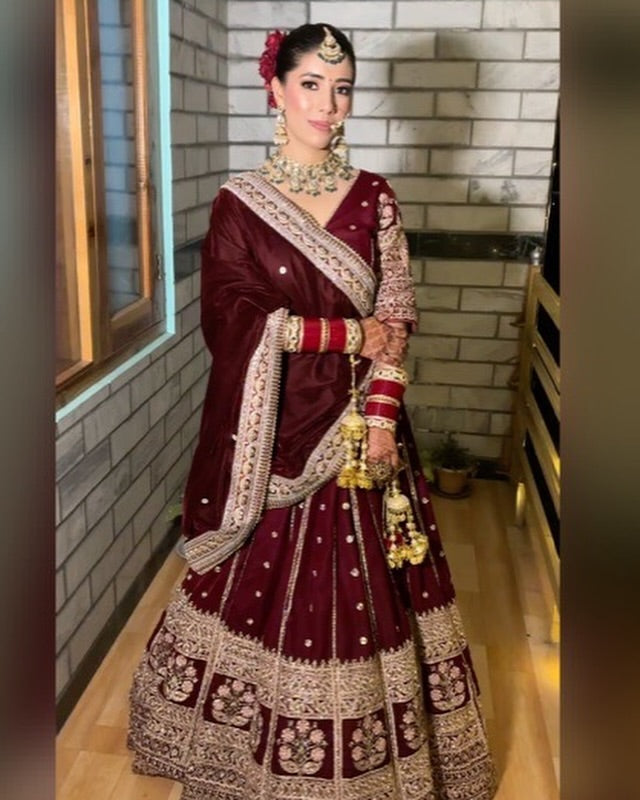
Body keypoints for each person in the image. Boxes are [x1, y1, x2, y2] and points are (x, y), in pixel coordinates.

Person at [128, 23, 497, 800]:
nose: (328, 104)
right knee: (256, 587)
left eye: (342, 87)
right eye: (310, 84)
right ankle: (240, 750)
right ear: (276, 89)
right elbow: (230, 318)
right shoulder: (240, 205)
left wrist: (383, 418)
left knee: (376, 591)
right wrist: (342, 333)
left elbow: (397, 315)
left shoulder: (374, 197)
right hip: (273, 437)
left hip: (363, 432)